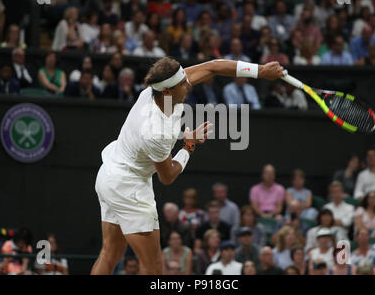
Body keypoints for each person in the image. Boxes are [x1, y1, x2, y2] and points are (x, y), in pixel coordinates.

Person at [91, 57, 284, 275]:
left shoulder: (158, 92)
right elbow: (168, 176)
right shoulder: (155, 131)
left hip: (109, 175)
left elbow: (212, 67)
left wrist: (261, 71)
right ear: (167, 92)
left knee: (110, 251)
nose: (188, 84)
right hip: (128, 187)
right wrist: (189, 145)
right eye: (182, 84)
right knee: (153, 267)